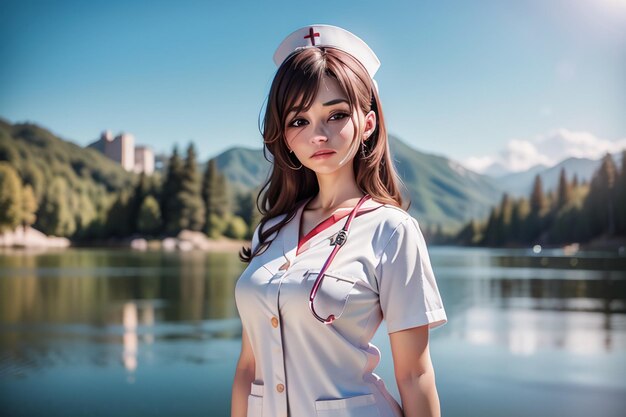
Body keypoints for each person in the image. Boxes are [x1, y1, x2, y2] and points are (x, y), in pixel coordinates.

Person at [231, 24, 448, 417]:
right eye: (299, 120)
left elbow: (415, 376)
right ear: (284, 136)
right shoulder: (270, 230)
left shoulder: (392, 230)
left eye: (336, 115)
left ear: (367, 124)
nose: (318, 134)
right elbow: (249, 368)